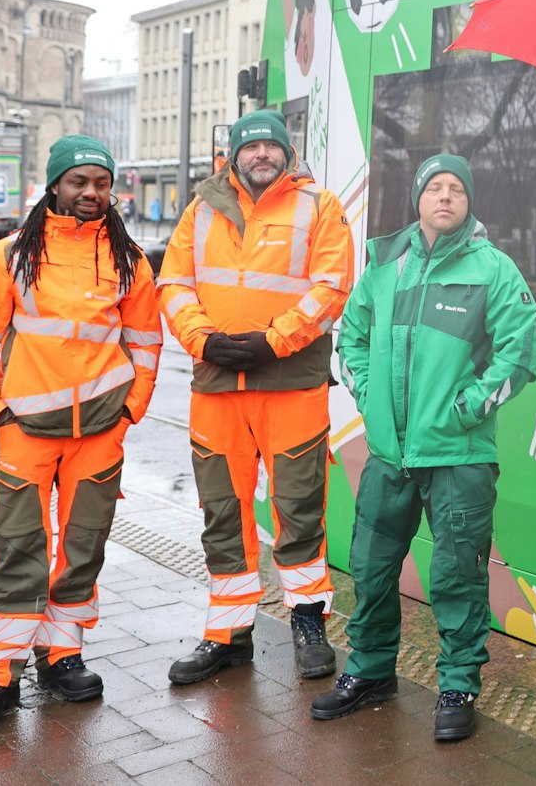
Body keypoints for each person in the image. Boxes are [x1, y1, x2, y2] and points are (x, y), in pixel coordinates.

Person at [320, 154, 536, 741]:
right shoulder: (385, 267)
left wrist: (468, 408)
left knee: (456, 576)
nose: (445, 197)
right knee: (370, 568)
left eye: (456, 189)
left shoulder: (492, 269)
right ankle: (369, 671)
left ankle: (459, 683)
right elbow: (354, 337)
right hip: (388, 453)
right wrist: (367, 393)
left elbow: (520, 356)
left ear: (468, 203)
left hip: (459, 459)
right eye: (434, 188)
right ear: (418, 199)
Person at [0, 135, 162, 736]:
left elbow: (146, 344)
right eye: (78, 182)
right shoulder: (9, 257)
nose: (91, 193)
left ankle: (61, 656)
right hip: (27, 431)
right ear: (55, 186)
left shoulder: (129, 260)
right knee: (16, 546)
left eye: (100, 183)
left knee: (82, 545)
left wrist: (130, 410)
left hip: (100, 430)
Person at [158, 110, 354, 685]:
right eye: (252, 146)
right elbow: (172, 284)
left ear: (286, 153)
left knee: (298, 510)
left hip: (291, 384)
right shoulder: (200, 211)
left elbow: (332, 285)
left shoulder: (320, 206)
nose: (262, 154)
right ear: (234, 155)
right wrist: (203, 339)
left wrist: (274, 341)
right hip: (218, 387)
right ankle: (228, 632)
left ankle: (308, 622)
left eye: (272, 145)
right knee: (222, 512)